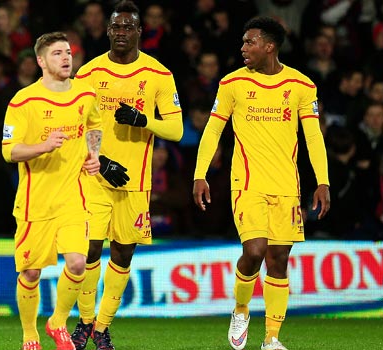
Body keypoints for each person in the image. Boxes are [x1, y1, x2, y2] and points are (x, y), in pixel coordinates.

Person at [192, 16, 331, 350]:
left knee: (279, 260)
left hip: (286, 186)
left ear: (269, 46)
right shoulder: (232, 84)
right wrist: (200, 174)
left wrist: (323, 181)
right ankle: (241, 309)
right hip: (247, 182)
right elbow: (213, 130)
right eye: (242, 42)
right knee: (254, 252)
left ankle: (271, 338)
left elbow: (313, 136)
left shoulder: (301, 86)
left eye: (249, 42)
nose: (243, 49)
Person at [71, 2, 183, 349]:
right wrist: (100, 160)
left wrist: (143, 120)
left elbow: (177, 130)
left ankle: (102, 327)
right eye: (115, 27)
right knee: (89, 250)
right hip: (93, 174)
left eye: (127, 27)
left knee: (122, 254)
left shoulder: (159, 75)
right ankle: (85, 322)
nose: (121, 32)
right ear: (107, 31)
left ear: (139, 32)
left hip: (135, 181)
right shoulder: (88, 74)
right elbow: (72, 126)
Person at [2, 31, 102, 350]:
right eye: (57, 53)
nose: (66, 57)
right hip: (35, 202)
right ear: (41, 61)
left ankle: (57, 322)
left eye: (68, 52)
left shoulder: (85, 94)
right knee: (30, 273)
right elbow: (9, 150)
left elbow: (95, 125)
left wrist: (94, 154)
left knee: (76, 263)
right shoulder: (23, 100)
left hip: (74, 195)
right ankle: (29, 333)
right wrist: (42, 146)